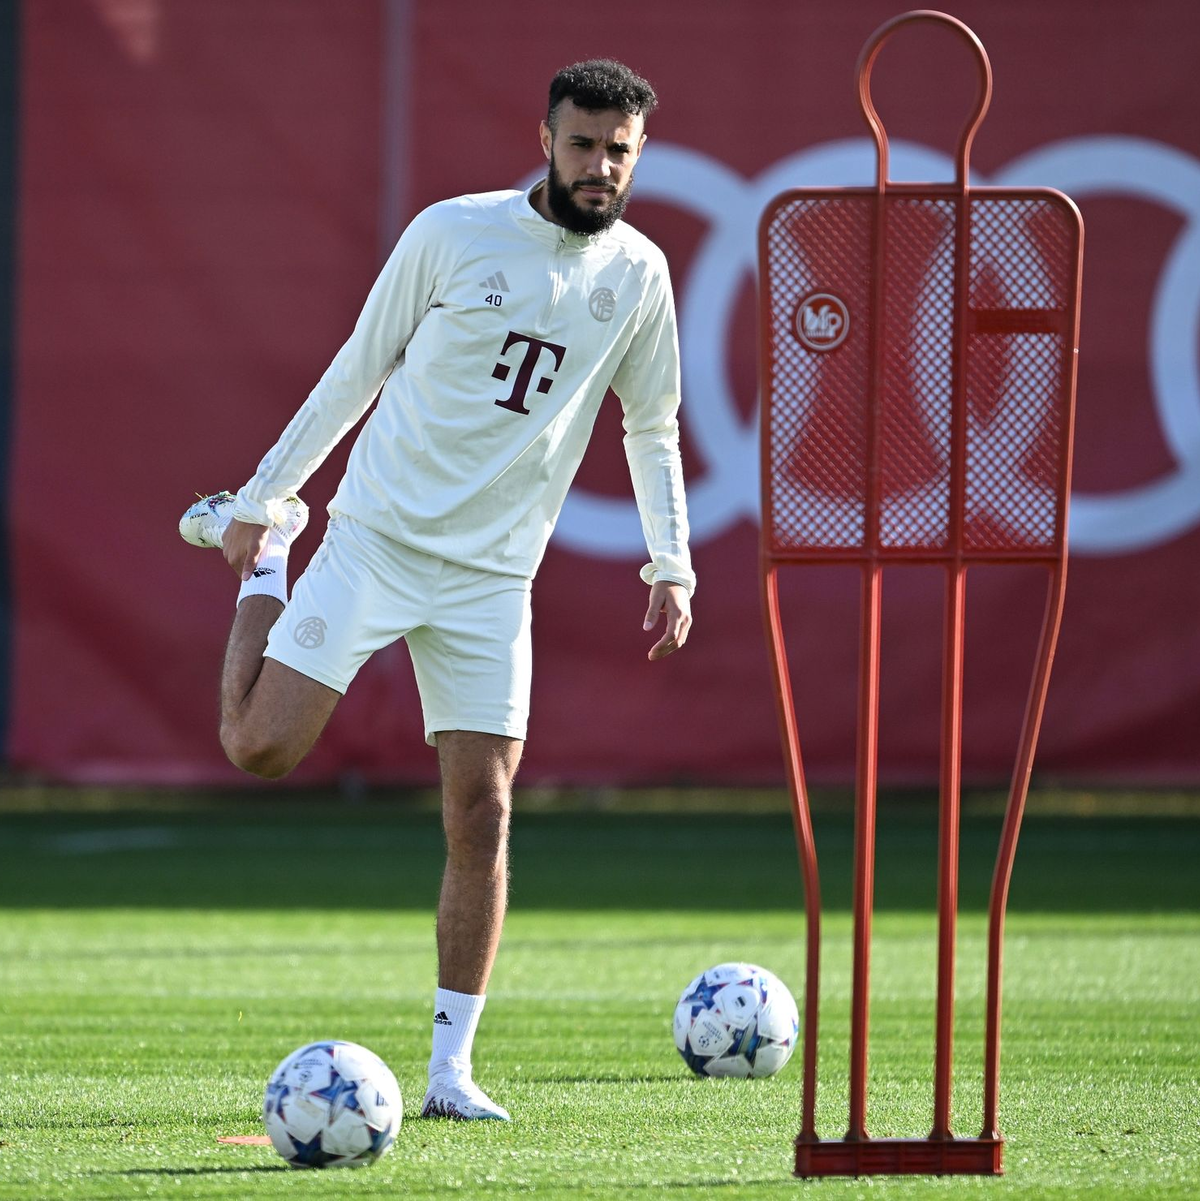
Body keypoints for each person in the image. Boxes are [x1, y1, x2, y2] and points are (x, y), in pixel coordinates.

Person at [179, 59, 694, 1122]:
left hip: (494, 578)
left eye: (620, 151)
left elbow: (651, 426)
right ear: (546, 138)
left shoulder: (640, 274)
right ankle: (273, 563)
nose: (601, 166)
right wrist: (267, 497)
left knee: (485, 811)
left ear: (640, 155)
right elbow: (356, 370)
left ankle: (451, 1071)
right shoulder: (453, 233)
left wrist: (672, 560)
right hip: (375, 540)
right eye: (584, 143)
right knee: (260, 749)